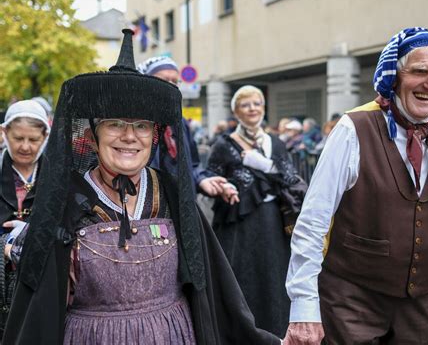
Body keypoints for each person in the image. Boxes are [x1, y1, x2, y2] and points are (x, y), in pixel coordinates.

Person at [3, 29, 280, 345]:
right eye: (115, 124)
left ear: (155, 136)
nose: (129, 136)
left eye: (142, 126)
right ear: (92, 138)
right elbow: (39, 303)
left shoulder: (173, 194)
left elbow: (218, 291)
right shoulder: (65, 201)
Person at [284, 27, 428, 344]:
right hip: (350, 300)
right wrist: (304, 309)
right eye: (420, 71)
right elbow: (313, 221)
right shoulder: (353, 129)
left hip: (417, 304)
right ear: (394, 77)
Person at [206, 85, 306, 338]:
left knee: (273, 279)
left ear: (263, 108)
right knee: (242, 279)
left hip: (272, 222)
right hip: (238, 226)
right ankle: (242, 333)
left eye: (257, 104)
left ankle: (276, 333)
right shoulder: (223, 144)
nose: (252, 109)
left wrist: (259, 162)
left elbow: (290, 178)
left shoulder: (275, 142)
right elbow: (209, 175)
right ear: (236, 111)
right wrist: (223, 186)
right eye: (245, 105)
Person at [137, 56, 226, 198]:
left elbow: (193, 164)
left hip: (181, 207)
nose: (171, 86)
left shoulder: (179, 122)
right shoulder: (135, 122)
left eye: (175, 81)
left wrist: (201, 179)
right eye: (164, 80)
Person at [0, 100, 50, 336]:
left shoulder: (56, 174)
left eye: (34, 140)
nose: (26, 147)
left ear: (46, 135)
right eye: (18, 138)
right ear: (4, 132)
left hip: (40, 286)